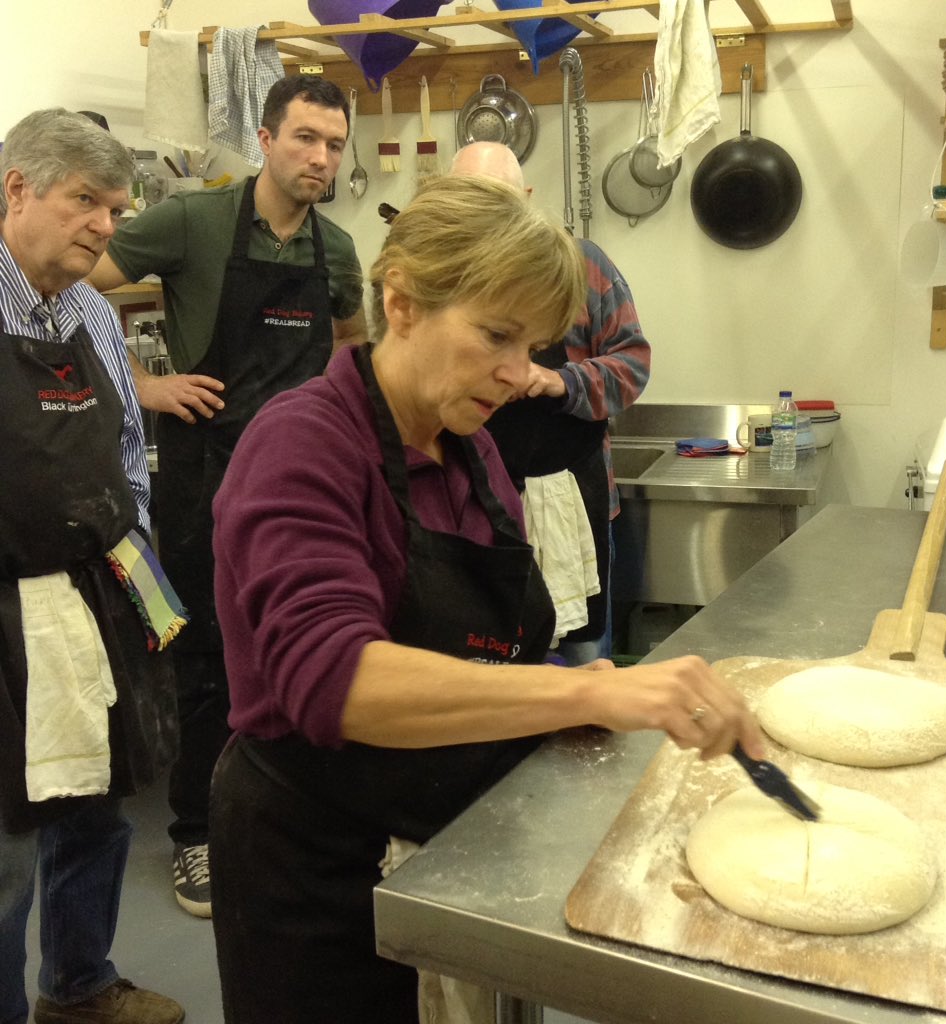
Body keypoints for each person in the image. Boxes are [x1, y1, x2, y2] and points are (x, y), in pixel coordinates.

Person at [206, 173, 763, 1024]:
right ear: (401, 303)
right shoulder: (301, 444)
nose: (517, 373)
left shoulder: (469, 450)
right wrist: (581, 695)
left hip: (445, 839)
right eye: (496, 335)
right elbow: (336, 683)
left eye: (534, 347)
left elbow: (479, 649)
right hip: (314, 865)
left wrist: (574, 688)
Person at [86, 74, 367, 918]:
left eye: (334, 145)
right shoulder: (194, 221)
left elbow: (353, 348)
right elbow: (69, 284)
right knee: (205, 658)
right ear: (267, 138)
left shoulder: (337, 249)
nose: (320, 158)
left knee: (302, 640)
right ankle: (197, 835)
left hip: (304, 480)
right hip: (206, 472)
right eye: (306, 138)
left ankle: (286, 815)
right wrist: (145, 387)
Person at [0, 109, 184, 1024]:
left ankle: (77, 987)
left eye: (116, 210)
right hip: (5, 610)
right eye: (86, 202)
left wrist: (134, 568)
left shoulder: (94, 317)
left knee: (97, 802)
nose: (106, 227)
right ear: (17, 189)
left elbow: (123, 456)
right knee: (6, 841)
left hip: (95, 596)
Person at [453, 142, 651, 665]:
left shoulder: (583, 266)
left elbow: (633, 366)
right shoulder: (443, 277)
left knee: (586, 667)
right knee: (492, 668)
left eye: (499, 199)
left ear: (525, 197)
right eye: (471, 198)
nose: (487, 215)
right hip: (475, 515)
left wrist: (561, 381)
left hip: (576, 506)